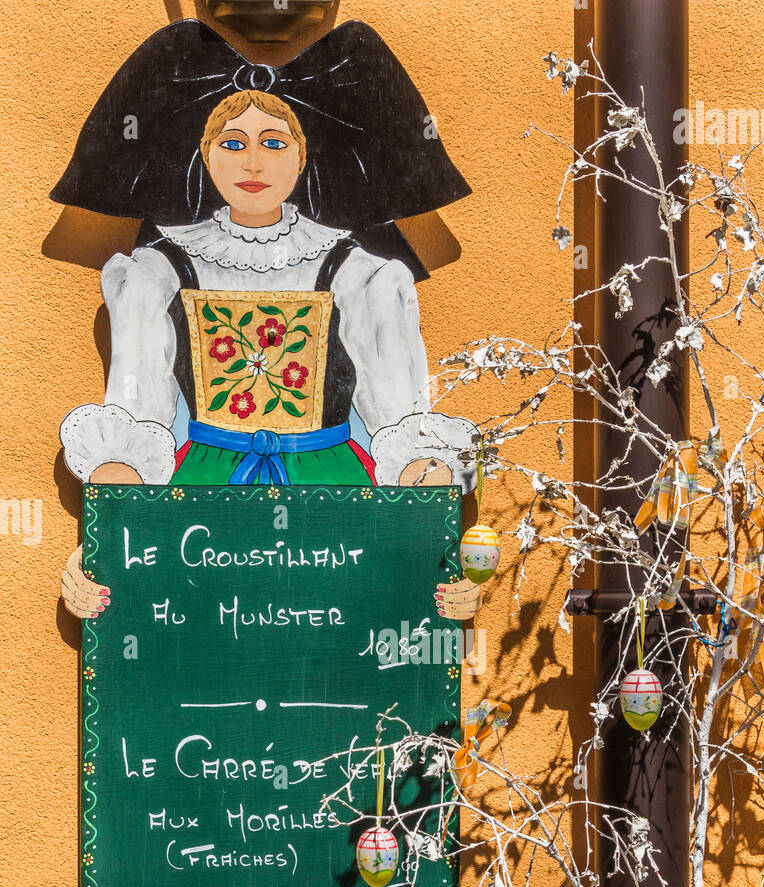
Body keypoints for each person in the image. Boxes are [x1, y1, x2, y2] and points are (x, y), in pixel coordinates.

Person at [56, 22, 483, 625]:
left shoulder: (358, 271)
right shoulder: (159, 271)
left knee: (336, 649)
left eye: (275, 142)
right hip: (203, 504)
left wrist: (436, 555)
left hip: (333, 499)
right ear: (205, 157)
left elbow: (399, 421)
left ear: (302, 157)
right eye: (232, 143)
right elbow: (137, 412)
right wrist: (106, 546)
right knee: (209, 651)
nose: (253, 161)